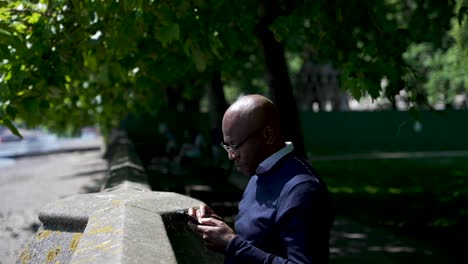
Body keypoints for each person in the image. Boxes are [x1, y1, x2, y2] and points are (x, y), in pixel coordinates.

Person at [188, 94, 334, 263]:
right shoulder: (259, 171)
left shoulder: (302, 190)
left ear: (268, 135)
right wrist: (217, 228)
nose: (230, 155)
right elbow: (258, 240)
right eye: (226, 146)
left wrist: (231, 244)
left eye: (234, 146)